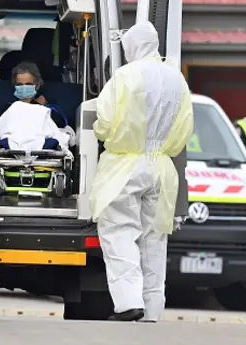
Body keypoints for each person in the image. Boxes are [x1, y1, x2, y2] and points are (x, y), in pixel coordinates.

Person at [89, 21, 193, 322]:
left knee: (119, 230)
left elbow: (104, 121)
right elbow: (184, 128)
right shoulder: (177, 78)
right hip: (161, 165)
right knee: (154, 238)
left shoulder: (124, 76)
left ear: (132, 45)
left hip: (125, 164)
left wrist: (104, 135)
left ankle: (128, 302)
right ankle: (152, 309)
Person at [0, 62, 71, 151]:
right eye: (20, 85)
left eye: (28, 84)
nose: (24, 87)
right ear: (14, 86)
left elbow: (60, 123)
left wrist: (38, 105)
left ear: (37, 85)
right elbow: (0, 128)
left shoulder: (49, 107)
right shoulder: (9, 108)